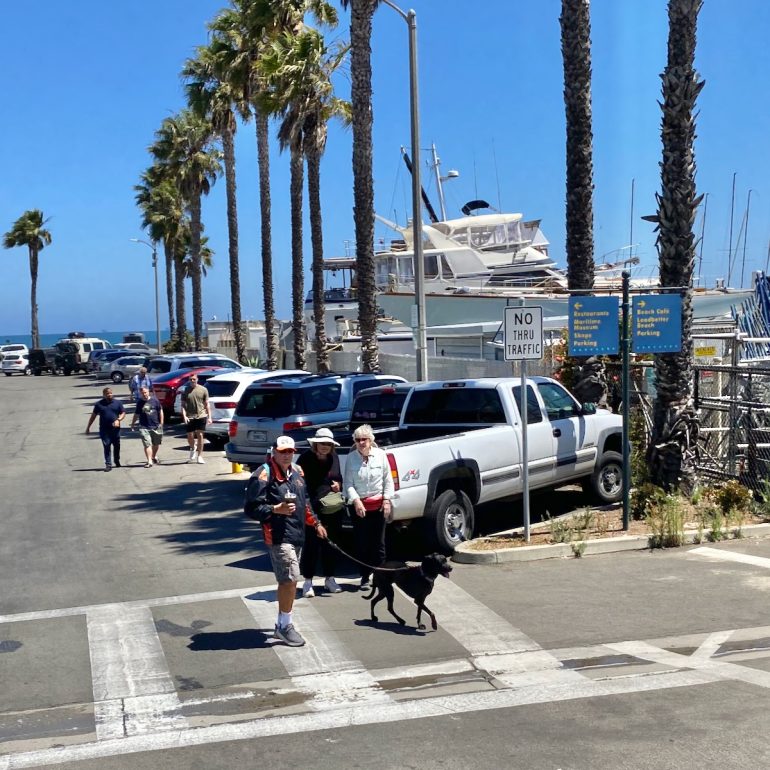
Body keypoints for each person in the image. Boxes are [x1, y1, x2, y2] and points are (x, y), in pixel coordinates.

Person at [245, 436, 327, 647]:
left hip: (297, 533)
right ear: (274, 452)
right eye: (282, 451)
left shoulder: (298, 471)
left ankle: (282, 623)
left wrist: (316, 523)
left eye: (290, 451)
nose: (287, 455)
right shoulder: (263, 474)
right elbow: (251, 508)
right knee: (290, 579)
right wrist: (275, 509)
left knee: (289, 580)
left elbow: (305, 501)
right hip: (278, 535)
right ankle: (285, 626)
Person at [342, 423, 395, 590]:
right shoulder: (351, 458)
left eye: (364, 439)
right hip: (360, 507)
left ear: (371, 440)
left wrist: (387, 500)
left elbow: (388, 480)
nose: (361, 443)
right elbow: (348, 484)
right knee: (362, 544)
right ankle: (364, 577)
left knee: (379, 544)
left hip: (378, 506)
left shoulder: (381, 455)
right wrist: (356, 501)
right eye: (357, 440)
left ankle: (381, 577)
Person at [297, 427, 344, 598]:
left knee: (330, 544)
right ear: (315, 444)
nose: (325, 446)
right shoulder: (305, 459)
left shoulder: (334, 457)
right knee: (311, 545)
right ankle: (308, 581)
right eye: (321, 443)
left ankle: (329, 578)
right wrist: (312, 516)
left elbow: (338, 478)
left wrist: (338, 485)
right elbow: (300, 487)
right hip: (311, 507)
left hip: (331, 508)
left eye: (328, 444)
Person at [85, 387, 126, 471]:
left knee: (117, 446)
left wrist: (118, 420)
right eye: (107, 394)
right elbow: (93, 416)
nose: (109, 395)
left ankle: (116, 460)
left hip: (115, 429)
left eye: (110, 393)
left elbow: (123, 413)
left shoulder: (118, 403)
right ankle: (108, 464)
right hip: (104, 430)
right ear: (103, 395)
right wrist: (88, 427)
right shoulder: (99, 404)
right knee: (106, 446)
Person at [130, 385, 164, 467]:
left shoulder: (155, 400)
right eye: (142, 393)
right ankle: (149, 461)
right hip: (144, 427)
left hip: (156, 425)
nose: (144, 394)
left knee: (156, 444)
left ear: (148, 392)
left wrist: (161, 422)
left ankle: (153, 456)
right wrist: (133, 424)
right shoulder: (140, 402)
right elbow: (136, 414)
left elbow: (160, 411)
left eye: (145, 392)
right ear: (140, 393)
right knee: (147, 444)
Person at [181, 373, 211, 464]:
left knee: (200, 435)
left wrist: (209, 417)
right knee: (190, 436)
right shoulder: (185, 390)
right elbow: (183, 405)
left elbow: (207, 404)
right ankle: (193, 447)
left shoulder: (203, 389)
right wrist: (184, 416)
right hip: (190, 416)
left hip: (201, 415)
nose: (192, 381)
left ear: (197, 379)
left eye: (194, 379)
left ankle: (200, 456)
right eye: (190, 379)